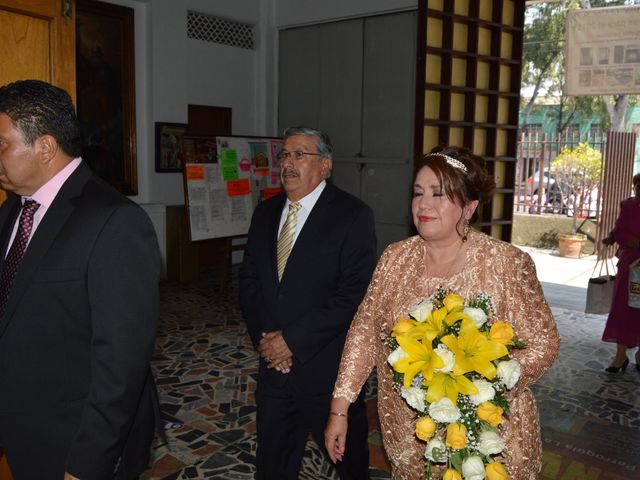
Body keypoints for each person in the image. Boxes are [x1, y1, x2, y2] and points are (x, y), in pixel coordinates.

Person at [325, 146, 561, 479]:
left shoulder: (506, 264)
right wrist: (340, 409)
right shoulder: (394, 259)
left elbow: (543, 343)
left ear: (469, 207)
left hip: (488, 438)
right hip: (410, 435)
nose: (424, 204)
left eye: (439, 194)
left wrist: (480, 387)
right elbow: (364, 332)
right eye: (418, 193)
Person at [0, 79, 161, 479]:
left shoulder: (116, 222)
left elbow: (120, 364)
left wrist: (87, 464)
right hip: (22, 426)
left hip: (72, 442)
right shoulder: (13, 210)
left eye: (1, 144)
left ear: (45, 147)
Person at [239, 126, 377, 479]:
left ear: (325, 165)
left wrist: (293, 341)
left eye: (300, 154)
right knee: (273, 465)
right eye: (284, 154)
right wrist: (267, 341)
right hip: (275, 371)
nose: (288, 162)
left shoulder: (352, 215)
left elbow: (352, 294)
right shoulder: (265, 213)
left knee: (350, 466)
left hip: (326, 372)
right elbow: (249, 284)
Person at [601, 173, 640, 372]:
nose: (639, 188)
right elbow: (620, 229)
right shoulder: (628, 206)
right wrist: (614, 237)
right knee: (624, 307)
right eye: (637, 184)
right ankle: (620, 355)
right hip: (631, 265)